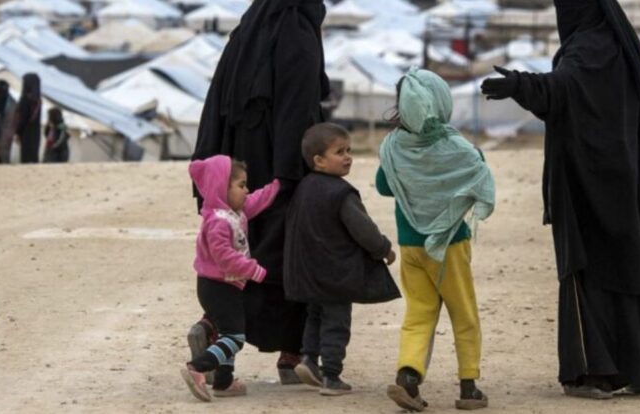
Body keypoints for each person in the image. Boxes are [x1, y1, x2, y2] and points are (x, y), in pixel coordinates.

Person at [480, 0, 640, 399]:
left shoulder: (587, 48)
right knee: (632, 267)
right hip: (628, 179)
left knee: (591, 270)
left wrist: (520, 84)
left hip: (591, 183)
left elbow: (565, 89)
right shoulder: (620, 47)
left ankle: (598, 371)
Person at [191, 0, 331, 382]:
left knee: (239, 250)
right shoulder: (299, 41)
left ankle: (214, 326)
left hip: (236, 171)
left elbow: (214, 107)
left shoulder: (244, 37)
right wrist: (292, 175)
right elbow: (297, 112)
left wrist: (213, 176)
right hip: (281, 169)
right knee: (291, 256)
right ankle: (294, 353)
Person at [377, 68, 495, 411]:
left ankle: (409, 379)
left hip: (410, 244)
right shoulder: (454, 145)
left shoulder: (392, 146)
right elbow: (478, 170)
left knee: (418, 313)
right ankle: (469, 387)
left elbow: (385, 186)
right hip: (450, 245)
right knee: (464, 313)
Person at [283, 123, 400, 396]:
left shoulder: (303, 188)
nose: (347, 156)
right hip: (335, 274)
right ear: (319, 161)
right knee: (337, 323)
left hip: (309, 272)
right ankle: (332, 376)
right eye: (339, 152)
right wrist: (384, 249)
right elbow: (364, 230)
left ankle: (309, 360)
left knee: (314, 316)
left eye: (348, 150)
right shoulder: (341, 193)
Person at [180, 155, 281, 402]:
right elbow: (223, 256)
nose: (247, 191)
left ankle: (224, 382)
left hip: (228, 285)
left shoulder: (235, 212)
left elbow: (257, 200)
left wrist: (278, 184)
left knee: (229, 330)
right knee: (235, 338)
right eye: (241, 185)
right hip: (216, 287)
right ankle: (198, 367)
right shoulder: (217, 222)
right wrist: (254, 269)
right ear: (221, 189)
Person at [13, 73, 42, 164]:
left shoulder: (26, 99)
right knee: (33, 156)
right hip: (35, 132)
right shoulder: (38, 99)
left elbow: (23, 118)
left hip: (26, 132)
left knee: (26, 157)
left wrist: (17, 132)